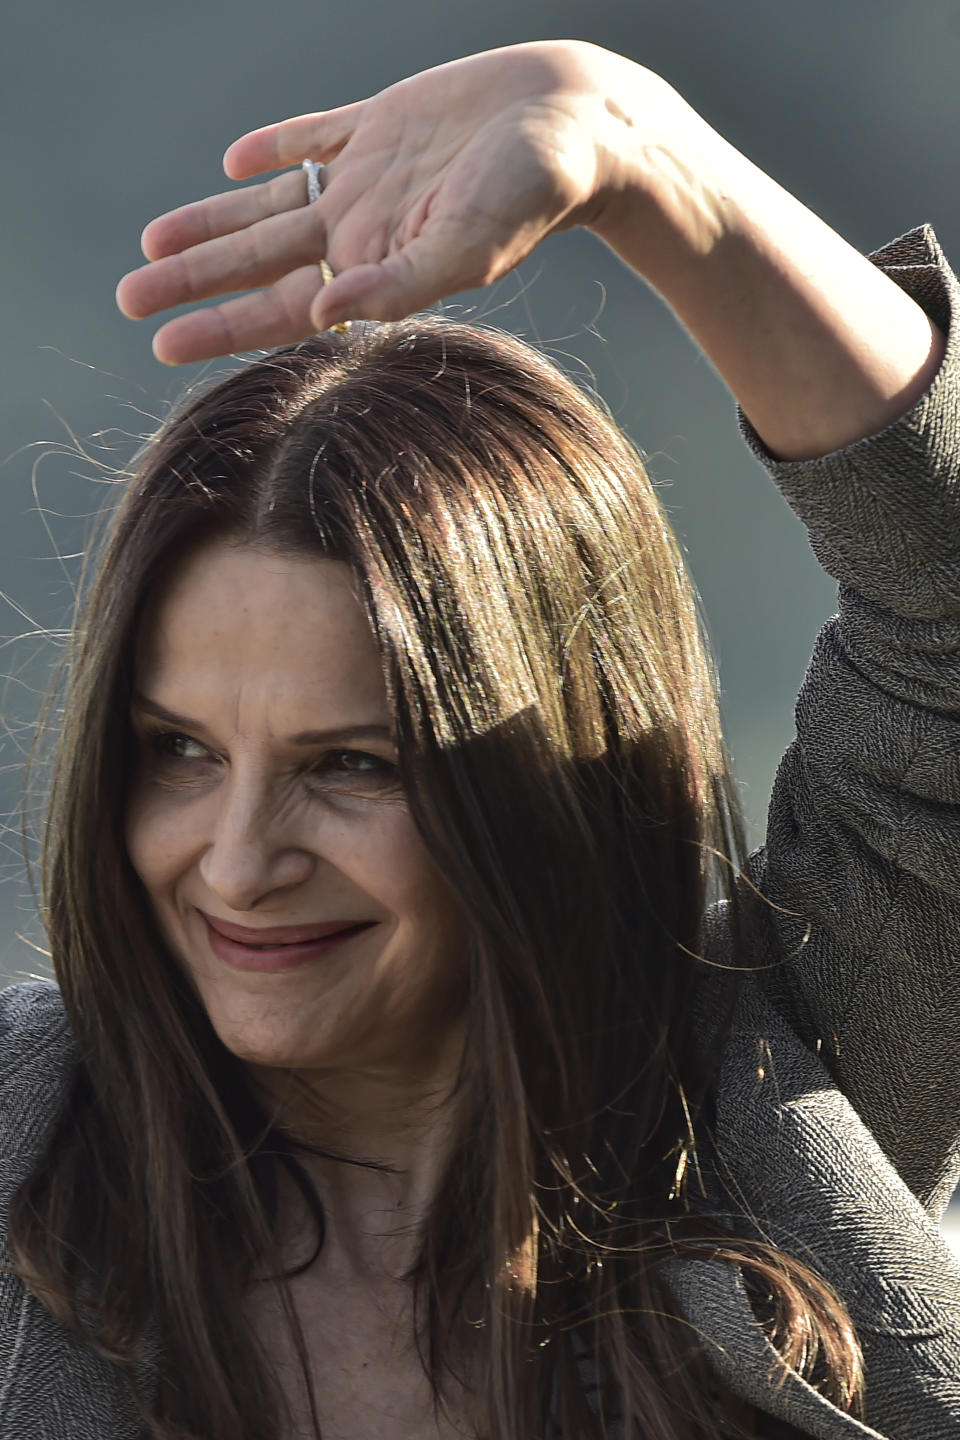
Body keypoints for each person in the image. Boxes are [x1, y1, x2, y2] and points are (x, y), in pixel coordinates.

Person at [1, 37, 958, 1440]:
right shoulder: (29, 1159)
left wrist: (652, 158)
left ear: (544, 784)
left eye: (352, 765)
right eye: (181, 752)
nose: (239, 860)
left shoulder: (777, 1100)